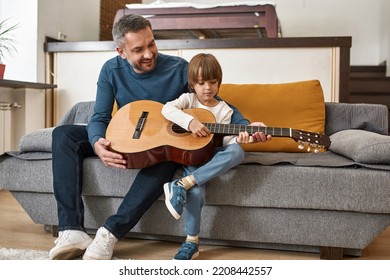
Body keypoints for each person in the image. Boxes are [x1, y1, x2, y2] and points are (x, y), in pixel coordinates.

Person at [48, 14, 268, 260]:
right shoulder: (110, 69)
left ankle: (110, 232)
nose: (149, 53)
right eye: (138, 49)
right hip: (123, 135)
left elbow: (211, 101)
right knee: (63, 134)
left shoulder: (179, 69)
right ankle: (71, 229)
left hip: (158, 145)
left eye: (151, 44)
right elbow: (99, 116)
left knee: (169, 153)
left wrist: (245, 126)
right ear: (121, 51)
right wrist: (98, 143)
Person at [161, 53, 272, 260]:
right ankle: (191, 242)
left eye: (213, 82)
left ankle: (182, 183)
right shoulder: (188, 99)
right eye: (201, 83)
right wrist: (190, 122)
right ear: (192, 84)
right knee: (196, 193)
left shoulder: (226, 110)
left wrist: (247, 136)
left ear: (219, 82)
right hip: (191, 156)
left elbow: (232, 140)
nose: (207, 88)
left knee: (238, 151)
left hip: (211, 157)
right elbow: (167, 109)